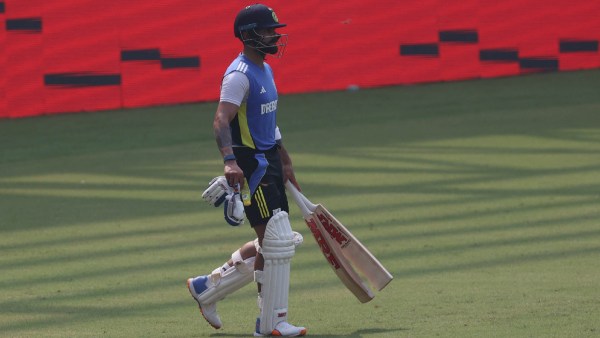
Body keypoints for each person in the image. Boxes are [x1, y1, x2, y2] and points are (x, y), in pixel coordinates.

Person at [186, 4, 306, 337]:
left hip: (269, 160)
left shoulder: (265, 69)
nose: (274, 35)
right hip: (251, 166)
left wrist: (285, 159)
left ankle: (206, 288)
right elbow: (221, 119)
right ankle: (270, 324)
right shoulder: (239, 74)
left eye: (273, 30)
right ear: (249, 35)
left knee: (277, 240)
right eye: (267, 31)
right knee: (277, 242)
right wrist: (229, 160)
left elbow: (266, 120)